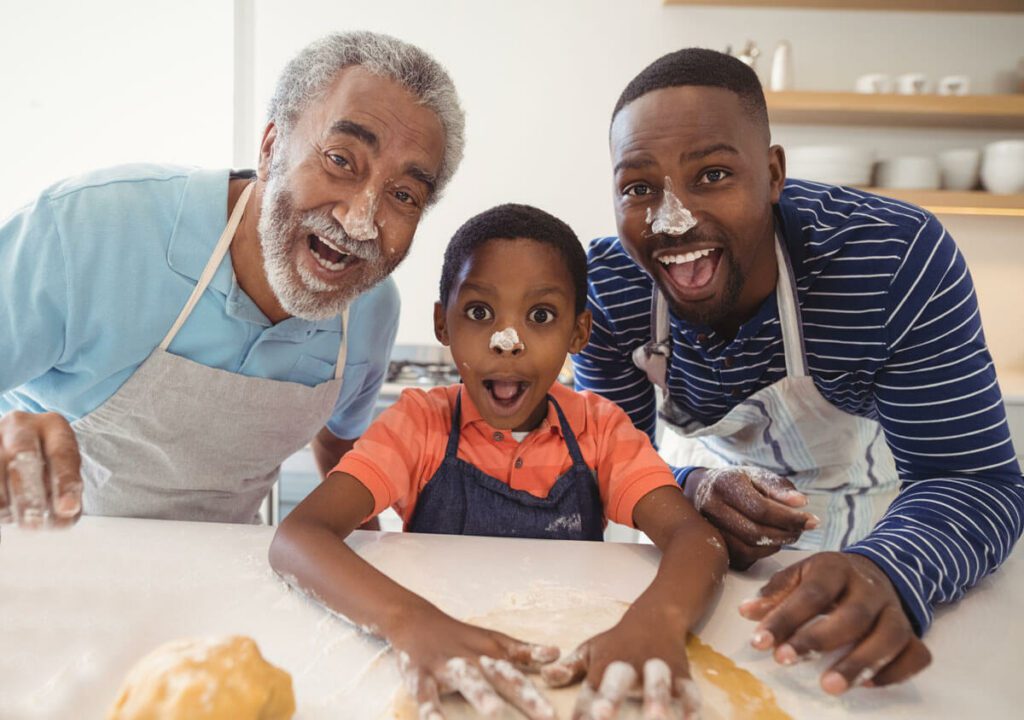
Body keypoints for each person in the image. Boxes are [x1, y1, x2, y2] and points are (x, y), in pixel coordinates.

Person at [574, 47, 1024, 695]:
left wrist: (887, 571)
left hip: (886, 532)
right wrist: (693, 488)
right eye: (640, 188)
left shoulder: (893, 260)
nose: (672, 220)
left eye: (713, 175)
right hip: (701, 547)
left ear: (774, 173)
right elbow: (607, 456)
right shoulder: (611, 287)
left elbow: (972, 478)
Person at [269, 204, 728, 718]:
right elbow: (299, 537)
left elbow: (696, 540)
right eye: (480, 312)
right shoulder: (419, 425)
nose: (507, 342)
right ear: (442, 323)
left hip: (566, 668)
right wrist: (409, 623)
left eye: (541, 316)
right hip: (438, 663)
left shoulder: (599, 430)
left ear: (579, 333)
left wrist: (658, 621)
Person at [0, 32, 465, 527]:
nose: (360, 221)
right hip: (45, 557)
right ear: (271, 149)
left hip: (224, 582)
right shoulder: (88, 227)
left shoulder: (370, 309)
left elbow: (339, 445)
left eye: (405, 195)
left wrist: (371, 555)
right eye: (340, 160)